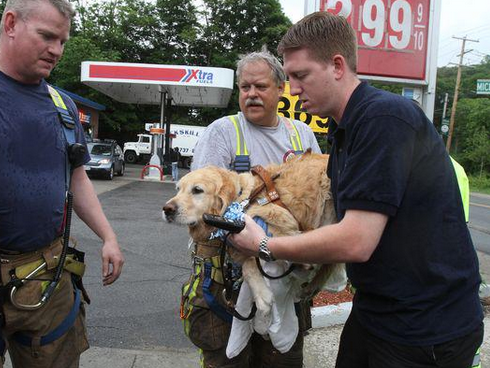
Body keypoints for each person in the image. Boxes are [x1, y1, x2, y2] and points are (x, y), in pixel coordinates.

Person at [230, 12, 483, 368]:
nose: (293, 88)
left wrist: (263, 245)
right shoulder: (345, 132)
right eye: (289, 78)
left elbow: (355, 241)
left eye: (301, 75)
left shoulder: (384, 119)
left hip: (426, 326)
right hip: (377, 312)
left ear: (337, 65)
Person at [0, 1, 124, 367]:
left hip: (46, 274)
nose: (56, 50)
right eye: (47, 36)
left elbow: (76, 176)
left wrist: (109, 236)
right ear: (10, 23)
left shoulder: (62, 106)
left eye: (63, 41)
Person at [187, 50, 321, 368]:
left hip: (287, 281)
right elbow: (201, 211)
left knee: (283, 361)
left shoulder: (301, 135)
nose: (251, 94)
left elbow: (320, 197)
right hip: (228, 285)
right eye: (245, 87)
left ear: (280, 88)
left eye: (260, 86)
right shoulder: (222, 133)